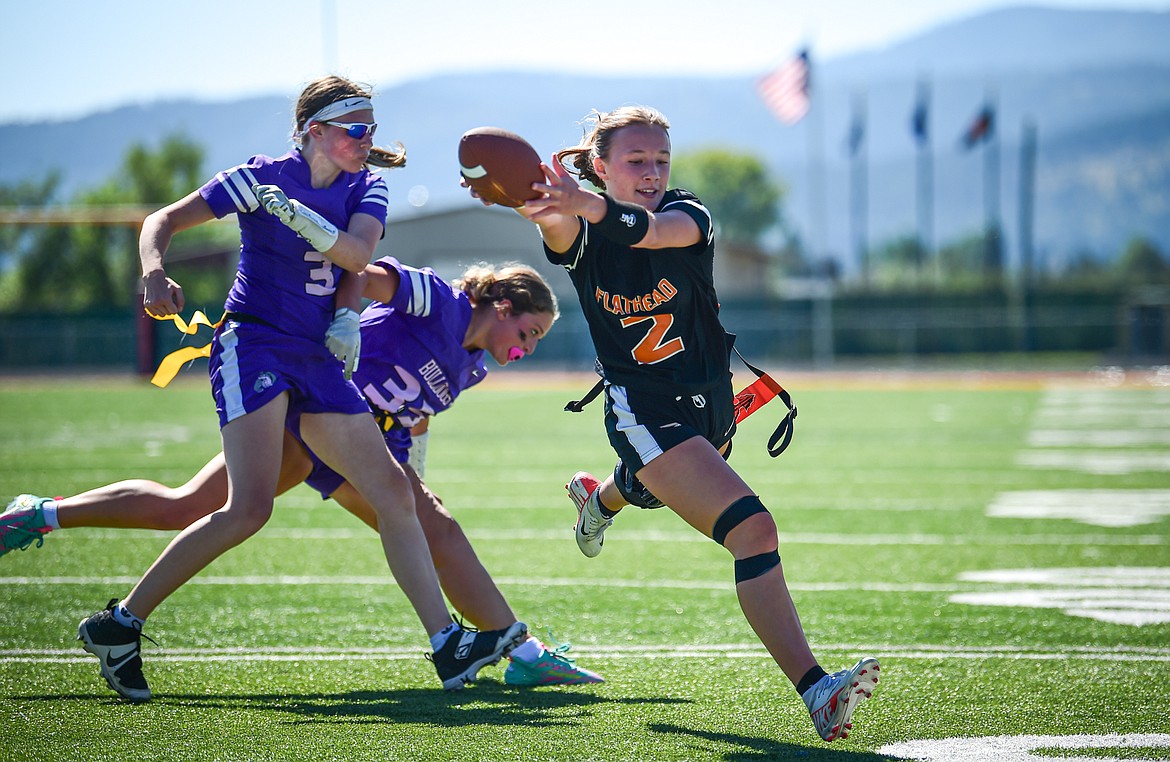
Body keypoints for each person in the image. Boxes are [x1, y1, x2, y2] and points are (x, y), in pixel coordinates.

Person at [69, 75, 526, 702]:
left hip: (316, 356)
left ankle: (447, 645)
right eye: (355, 130)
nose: (367, 141)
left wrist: (338, 305)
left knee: (396, 493)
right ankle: (120, 624)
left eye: (370, 129)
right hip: (253, 342)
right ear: (315, 131)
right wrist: (153, 270)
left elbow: (357, 256)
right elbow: (163, 220)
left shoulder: (369, 184)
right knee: (247, 508)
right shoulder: (260, 177)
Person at [470, 105, 880, 743]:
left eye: (661, 159)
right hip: (646, 408)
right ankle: (818, 690)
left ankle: (600, 496)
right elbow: (556, 221)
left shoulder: (688, 216)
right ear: (601, 167)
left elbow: (649, 233)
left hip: (709, 404)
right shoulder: (581, 231)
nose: (653, 171)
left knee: (649, 485)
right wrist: (526, 195)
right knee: (752, 528)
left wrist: (585, 202)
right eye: (636, 161)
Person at [2, 258, 602, 688]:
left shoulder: (471, 366)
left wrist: (415, 473)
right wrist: (337, 316)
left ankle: (48, 523)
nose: (527, 348)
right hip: (309, 410)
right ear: (502, 306)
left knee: (428, 523)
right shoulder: (438, 300)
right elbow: (366, 275)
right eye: (528, 333)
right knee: (192, 509)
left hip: (346, 440)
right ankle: (505, 650)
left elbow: (414, 418)